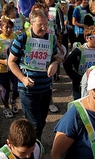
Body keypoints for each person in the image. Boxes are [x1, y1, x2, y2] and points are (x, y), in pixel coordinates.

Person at [7, 10, 60, 140]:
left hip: (46, 88)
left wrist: (55, 64)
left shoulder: (51, 38)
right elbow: (11, 62)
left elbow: (57, 57)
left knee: (41, 122)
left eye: (46, 25)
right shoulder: (22, 38)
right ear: (31, 24)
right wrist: (23, 79)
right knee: (35, 124)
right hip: (28, 90)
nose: (44, 28)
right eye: (40, 25)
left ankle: (35, 144)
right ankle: (32, 148)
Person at [64, 26, 95, 100]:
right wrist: (76, 77)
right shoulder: (79, 50)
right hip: (79, 85)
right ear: (87, 38)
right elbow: (66, 63)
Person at [0, 18, 19, 118]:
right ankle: (6, 106)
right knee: (6, 90)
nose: (8, 30)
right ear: (1, 28)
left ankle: (13, 100)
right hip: (2, 69)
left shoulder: (15, 36)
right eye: (6, 27)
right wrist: (4, 62)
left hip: (14, 68)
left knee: (17, 88)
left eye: (10, 27)